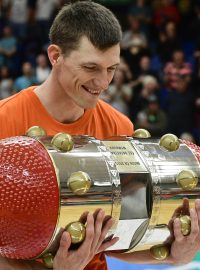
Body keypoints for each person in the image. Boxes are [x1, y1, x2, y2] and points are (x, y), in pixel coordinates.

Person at [0, 2, 200, 270]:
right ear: (55, 56)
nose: (103, 83)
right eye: (91, 68)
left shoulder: (118, 126)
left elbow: (117, 238)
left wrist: (176, 254)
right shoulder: (5, 122)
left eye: (111, 69)